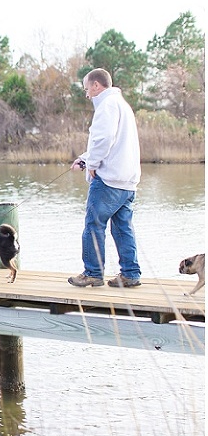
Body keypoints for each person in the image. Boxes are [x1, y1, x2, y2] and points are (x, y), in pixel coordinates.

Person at [68, 68, 142, 288]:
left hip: (108, 180)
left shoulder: (106, 106)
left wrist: (91, 165)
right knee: (123, 228)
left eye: (87, 89)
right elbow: (114, 143)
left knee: (93, 225)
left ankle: (93, 273)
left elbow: (103, 140)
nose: (87, 95)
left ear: (96, 85)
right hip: (127, 180)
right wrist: (84, 158)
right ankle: (130, 273)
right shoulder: (122, 105)